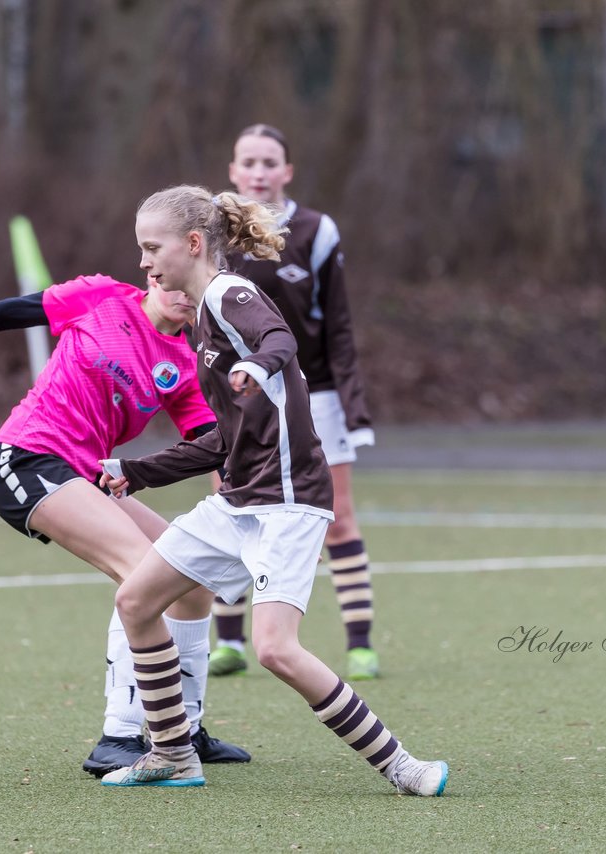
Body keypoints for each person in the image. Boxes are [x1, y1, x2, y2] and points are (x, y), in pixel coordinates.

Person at [96, 185, 447, 795]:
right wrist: (138, 470)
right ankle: (173, 755)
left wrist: (258, 365)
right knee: (135, 602)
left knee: (276, 651)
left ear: (194, 243)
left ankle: (402, 765)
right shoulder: (203, 319)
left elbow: (279, 341)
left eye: (152, 248)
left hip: (288, 501)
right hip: (238, 502)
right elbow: (223, 442)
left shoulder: (232, 295)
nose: (145, 263)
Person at [0, 271, 251, 777]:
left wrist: (248, 504)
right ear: (155, 273)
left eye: (196, 287)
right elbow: (19, 309)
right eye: (176, 282)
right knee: (148, 574)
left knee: (192, 576)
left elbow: (213, 447)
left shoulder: (186, 364)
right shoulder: (103, 296)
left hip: (85, 477)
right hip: (26, 459)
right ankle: (118, 735)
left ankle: (184, 726)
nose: (186, 293)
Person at [207, 124, 380, 681]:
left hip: (316, 395)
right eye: (248, 161)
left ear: (287, 171)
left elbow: (341, 329)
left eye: (269, 162)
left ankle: (360, 643)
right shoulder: (210, 231)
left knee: (340, 516)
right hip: (242, 396)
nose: (258, 171)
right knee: (233, 510)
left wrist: (354, 409)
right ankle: (228, 640)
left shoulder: (315, 231)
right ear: (233, 170)